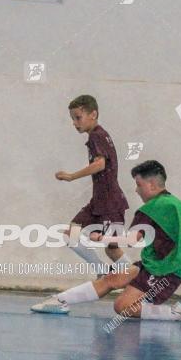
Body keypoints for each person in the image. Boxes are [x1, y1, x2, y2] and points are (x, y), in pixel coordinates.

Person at [32, 160, 181, 322]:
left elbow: (132, 240)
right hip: (155, 266)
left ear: (152, 184)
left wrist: (101, 238)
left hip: (163, 273)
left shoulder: (152, 208)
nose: (136, 190)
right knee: (111, 279)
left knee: (123, 306)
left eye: (139, 185)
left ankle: (176, 313)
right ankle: (59, 300)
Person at [56, 95, 130, 276]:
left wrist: (72, 176)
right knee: (70, 235)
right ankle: (102, 271)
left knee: (112, 249)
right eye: (72, 119)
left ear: (93, 114)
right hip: (98, 202)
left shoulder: (97, 135)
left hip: (110, 202)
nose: (74, 123)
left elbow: (100, 164)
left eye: (78, 118)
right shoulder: (96, 136)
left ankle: (141, 282)